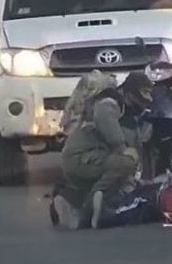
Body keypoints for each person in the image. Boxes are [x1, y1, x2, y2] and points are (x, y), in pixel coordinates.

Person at [53, 72, 155, 230]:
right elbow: (104, 118)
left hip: (88, 158)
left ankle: (77, 205)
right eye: (144, 92)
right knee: (126, 161)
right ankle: (91, 207)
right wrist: (121, 147)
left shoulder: (125, 111)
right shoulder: (109, 102)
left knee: (125, 177)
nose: (148, 98)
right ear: (131, 91)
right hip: (81, 157)